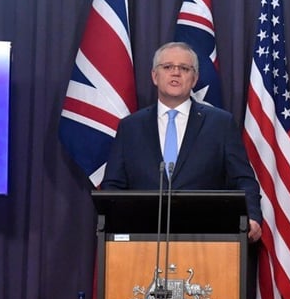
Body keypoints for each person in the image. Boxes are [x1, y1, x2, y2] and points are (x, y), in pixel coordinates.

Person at [102, 42, 263, 242]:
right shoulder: (130, 127)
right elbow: (113, 184)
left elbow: (243, 179)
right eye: (168, 67)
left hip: (205, 239)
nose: (176, 73)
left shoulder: (220, 124)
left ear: (194, 79)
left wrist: (251, 216)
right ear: (155, 76)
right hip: (143, 239)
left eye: (184, 68)